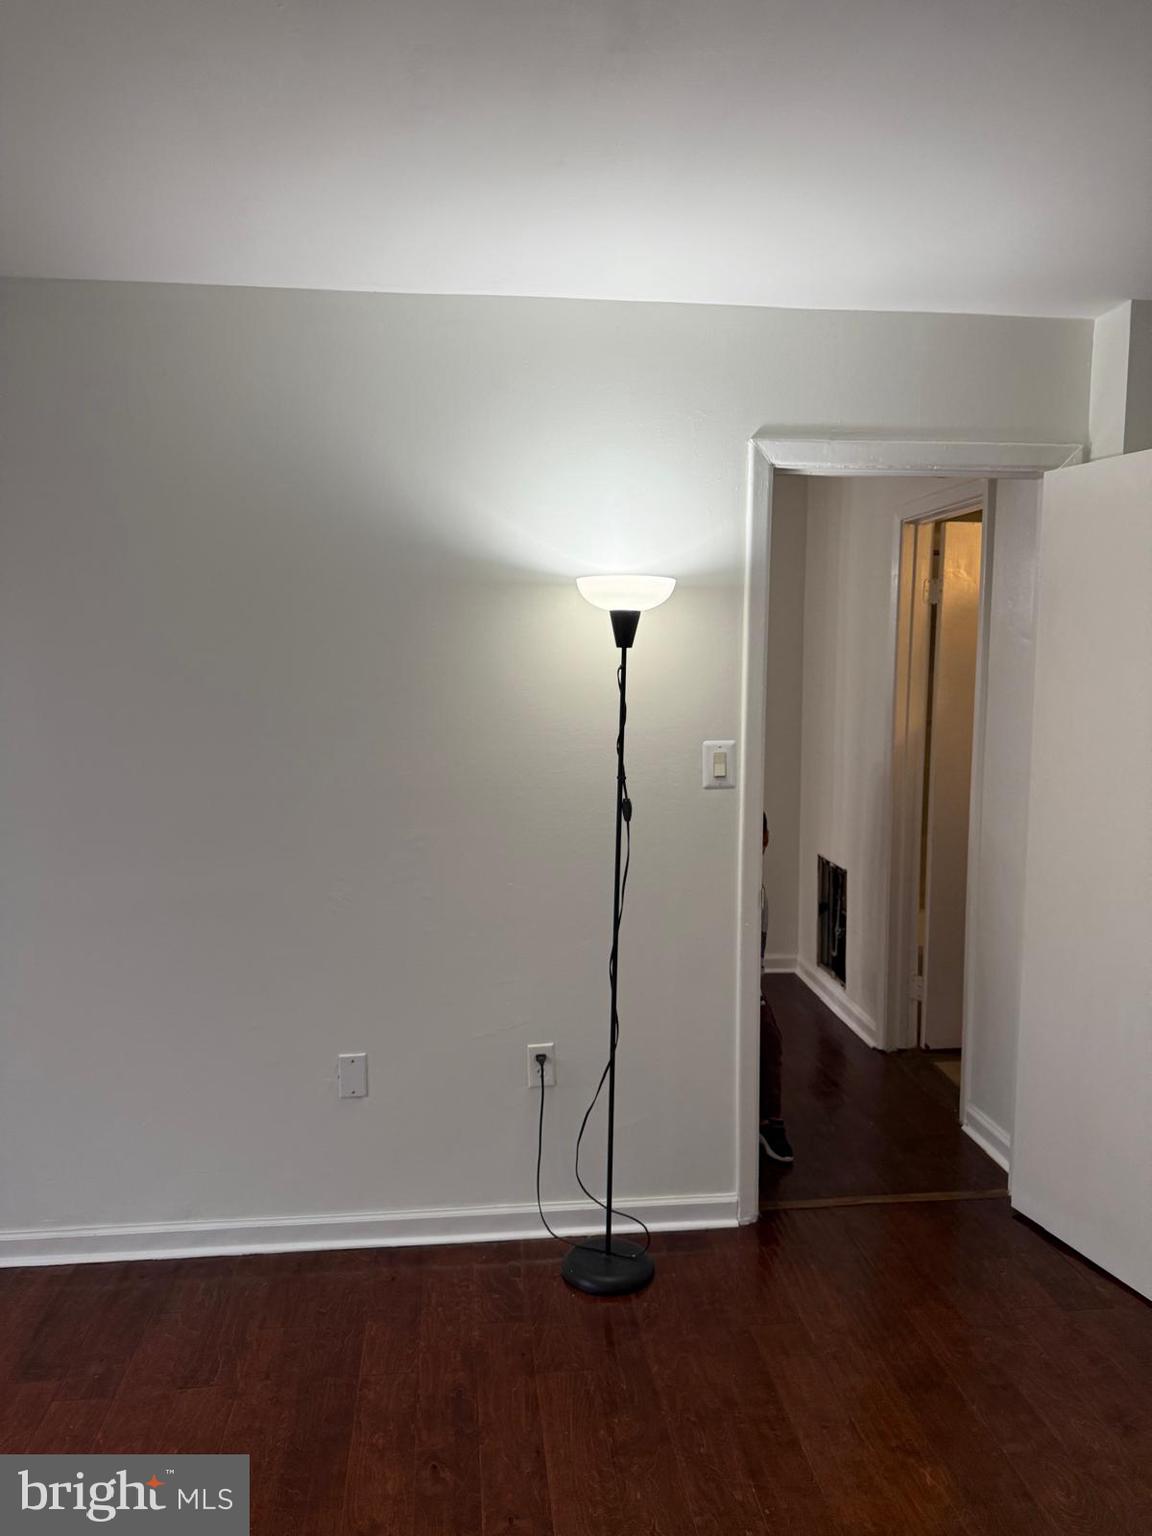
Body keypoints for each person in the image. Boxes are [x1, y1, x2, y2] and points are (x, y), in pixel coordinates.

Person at [760, 813, 794, 1164]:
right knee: (769, 1041)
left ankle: (767, 1122)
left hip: (752, 981)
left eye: (763, 834)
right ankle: (769, 1124)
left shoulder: (756, 886)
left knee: (769, 1040)